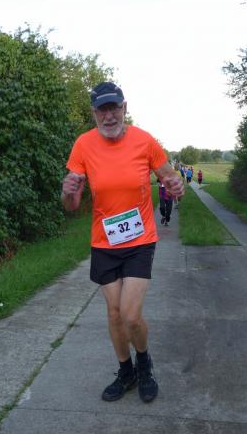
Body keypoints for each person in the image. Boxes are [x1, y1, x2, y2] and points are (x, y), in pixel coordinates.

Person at [61, 81, 184, 403]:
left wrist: (176, 185)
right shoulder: (83, 145)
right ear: (94, 113)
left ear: (124, 108)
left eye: (114, 108)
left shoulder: (144, 141)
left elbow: (169, 177)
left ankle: (144, 365)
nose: (109, 116)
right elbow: (71, 205)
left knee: (130, 315)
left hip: (140, 240)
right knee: (114, 314)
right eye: (102, 110)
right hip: (104, 242)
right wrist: (68, 192)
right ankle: (125, 371)